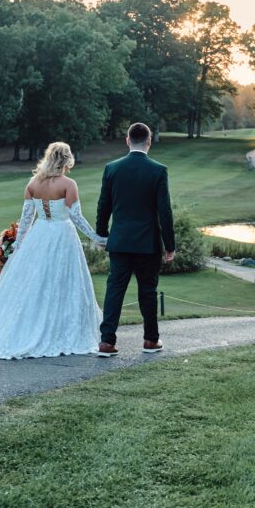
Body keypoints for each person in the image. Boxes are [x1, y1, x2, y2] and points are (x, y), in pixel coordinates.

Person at [0, 142, 106, 359]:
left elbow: (26, 220)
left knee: (36, 282)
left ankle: (30, 325)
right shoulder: (68, 184)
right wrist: (97, 238)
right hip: (63, 235)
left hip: (39, 234)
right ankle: (59, 329)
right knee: (64, 281)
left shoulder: (33, 183)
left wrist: (18, 245)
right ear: (66, 160)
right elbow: (76, 216)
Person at [95, 122, 175, 356]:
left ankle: (106, 343)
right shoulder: (158, 170)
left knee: (115, 290)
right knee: (147, 291)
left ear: (127, 140)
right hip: (148, 243)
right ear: (149, 141)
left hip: (120, 241)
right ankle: (151, 340)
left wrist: (102, 235)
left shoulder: (112, 168)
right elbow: (165, 212)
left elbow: (103, 206)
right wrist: (170, 246)